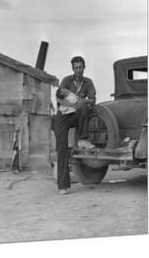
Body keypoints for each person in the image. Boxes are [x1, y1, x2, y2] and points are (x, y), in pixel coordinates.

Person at [54, 56, 96, 195]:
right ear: (73, 69)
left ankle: (83, 139)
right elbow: (60, 98)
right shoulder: (66, 80)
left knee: (84, 107)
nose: (78, 70)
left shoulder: (88, 82)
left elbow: (92, 100)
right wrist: (75, 103)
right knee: (62, 149)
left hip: (77, 116)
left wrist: (81, 102)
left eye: (80, 67)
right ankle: (63, 186)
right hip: (63, 117)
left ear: (84, 67)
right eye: (76, 67)